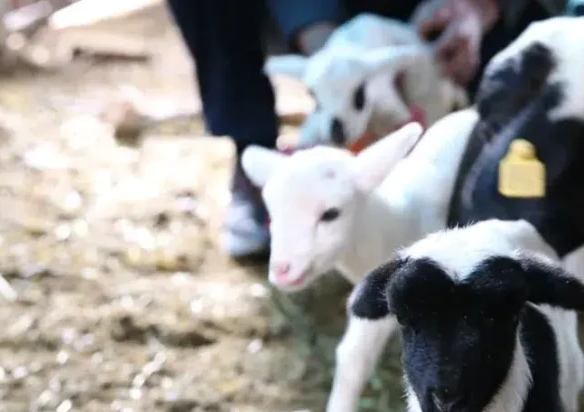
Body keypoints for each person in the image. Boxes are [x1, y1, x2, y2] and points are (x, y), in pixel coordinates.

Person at [165, 0, 553, 265]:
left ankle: (482, 188)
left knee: (520, 85)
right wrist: (328, 48)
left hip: (434, 26)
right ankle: (256, 158)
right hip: (316, 22)